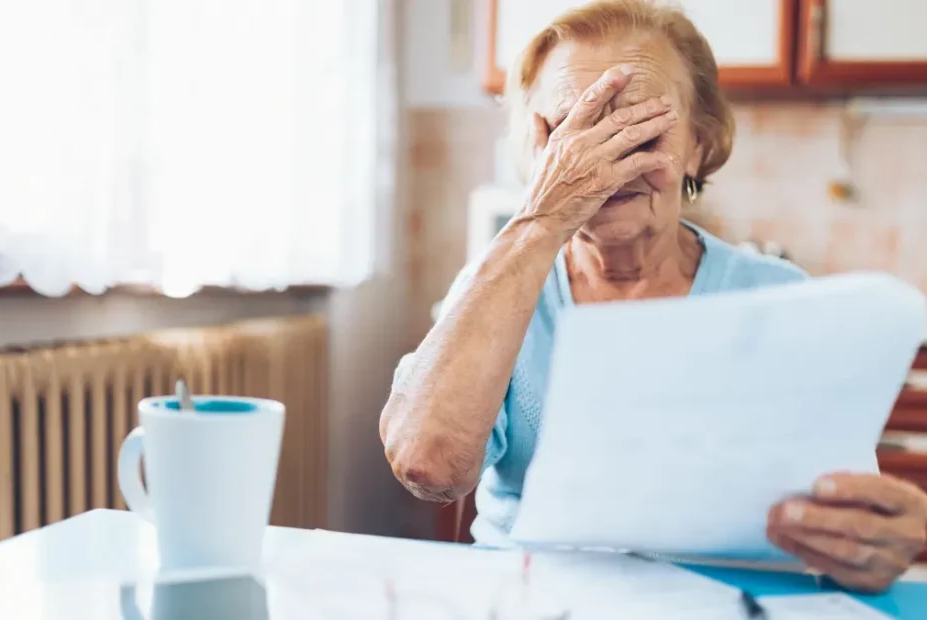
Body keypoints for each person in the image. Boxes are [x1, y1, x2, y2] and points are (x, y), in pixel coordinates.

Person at [380, 0, 927, 593]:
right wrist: (541, 219)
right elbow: (427, 466)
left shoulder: (781, 298)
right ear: (539, 154)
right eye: (575, 132)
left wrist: (871, 545)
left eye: (642, 129)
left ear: (698, 146)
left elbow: (846, 525)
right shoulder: (495, 292)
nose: (608, 165)